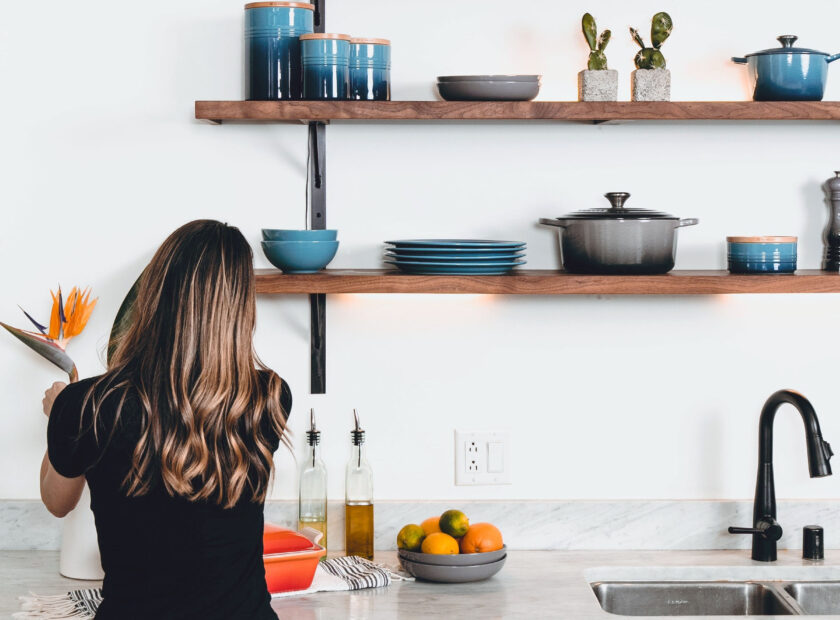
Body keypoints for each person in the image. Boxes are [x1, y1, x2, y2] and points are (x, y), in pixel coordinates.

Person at [39, 220, 291, 619]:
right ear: (240, 307)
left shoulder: (86, 404)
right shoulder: (265, 398)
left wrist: (59, 416)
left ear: (153, 292)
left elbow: (57, 501)